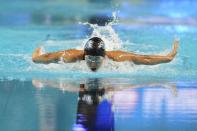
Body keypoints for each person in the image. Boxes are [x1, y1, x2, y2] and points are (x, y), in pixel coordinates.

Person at [32, 37, 179, 71]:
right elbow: (46, 57)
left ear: (104, 57)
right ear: (84, 55)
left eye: (97, 60)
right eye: (90, 59)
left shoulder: (118, 58)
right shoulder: (70, 56)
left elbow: (144, 58)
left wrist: (168, 57)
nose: (93, 63)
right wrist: (36, 53)